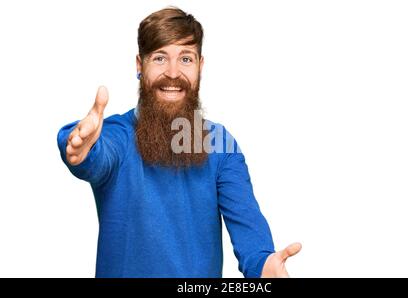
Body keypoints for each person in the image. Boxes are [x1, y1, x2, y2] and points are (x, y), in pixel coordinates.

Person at [57, 6, 301, 278]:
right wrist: (81, 146)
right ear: (140, 65)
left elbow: (250, 234)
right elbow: (96, 153)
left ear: (200, 66)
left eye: (186, 59)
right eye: (160, 58)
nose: (173, 73)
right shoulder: (119, 135)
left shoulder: (220, 145)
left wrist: (264, 266)